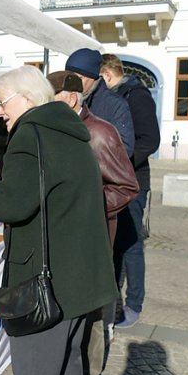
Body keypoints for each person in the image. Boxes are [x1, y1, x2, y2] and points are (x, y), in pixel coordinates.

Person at [0, 66, 117, 375]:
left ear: (28, 99)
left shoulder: (30, 135)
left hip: (46, 275)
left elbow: (14, 204)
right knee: (68, 357)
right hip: (81, 271)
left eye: (2, 101)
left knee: (35, 365)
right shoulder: (69, 130)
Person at [100, 54, 161, 328]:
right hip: (113, 181)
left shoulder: (137, 96)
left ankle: (134, 303)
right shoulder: (110, 97)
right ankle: (112, 299)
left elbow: (150, 140)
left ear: (108, 76)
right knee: (114, 243)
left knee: (132, 244)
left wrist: (119, 164)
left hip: (134, 181)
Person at [46, 71, 138, 245]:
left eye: (49, 100)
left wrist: (82, 207)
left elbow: (126, 187)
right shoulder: (53, 129)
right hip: (60, 232)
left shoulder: (100, 133)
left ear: (71, 99)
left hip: (89, 237)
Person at [65, 48, 135, 156]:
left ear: (92, 77)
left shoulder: (116, 104)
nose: (73, 84)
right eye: (70, 78)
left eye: (79, 78)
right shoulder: (67, 99)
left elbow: (125, 148)